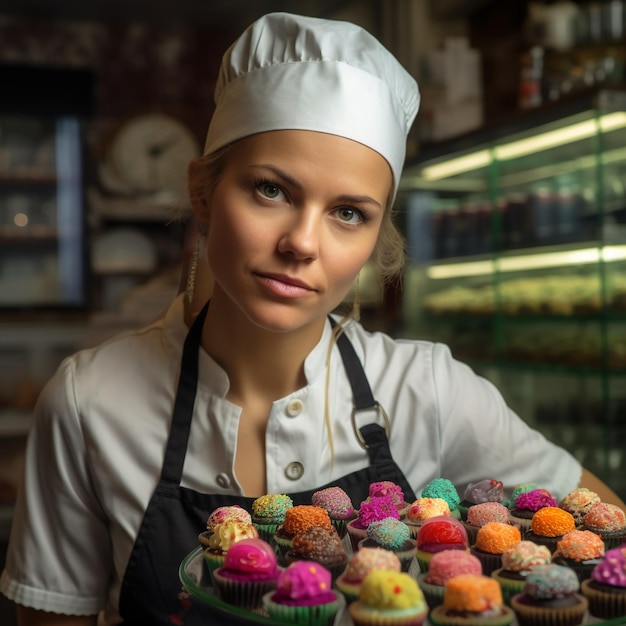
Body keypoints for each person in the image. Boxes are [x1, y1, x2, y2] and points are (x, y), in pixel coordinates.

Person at [1, 11, 623, 626]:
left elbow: (607, 540)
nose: (302, 242)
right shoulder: (89, 404)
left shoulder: (429, 390)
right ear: (203, 194)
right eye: (272, 189)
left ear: (378, 238)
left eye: (349, 213)